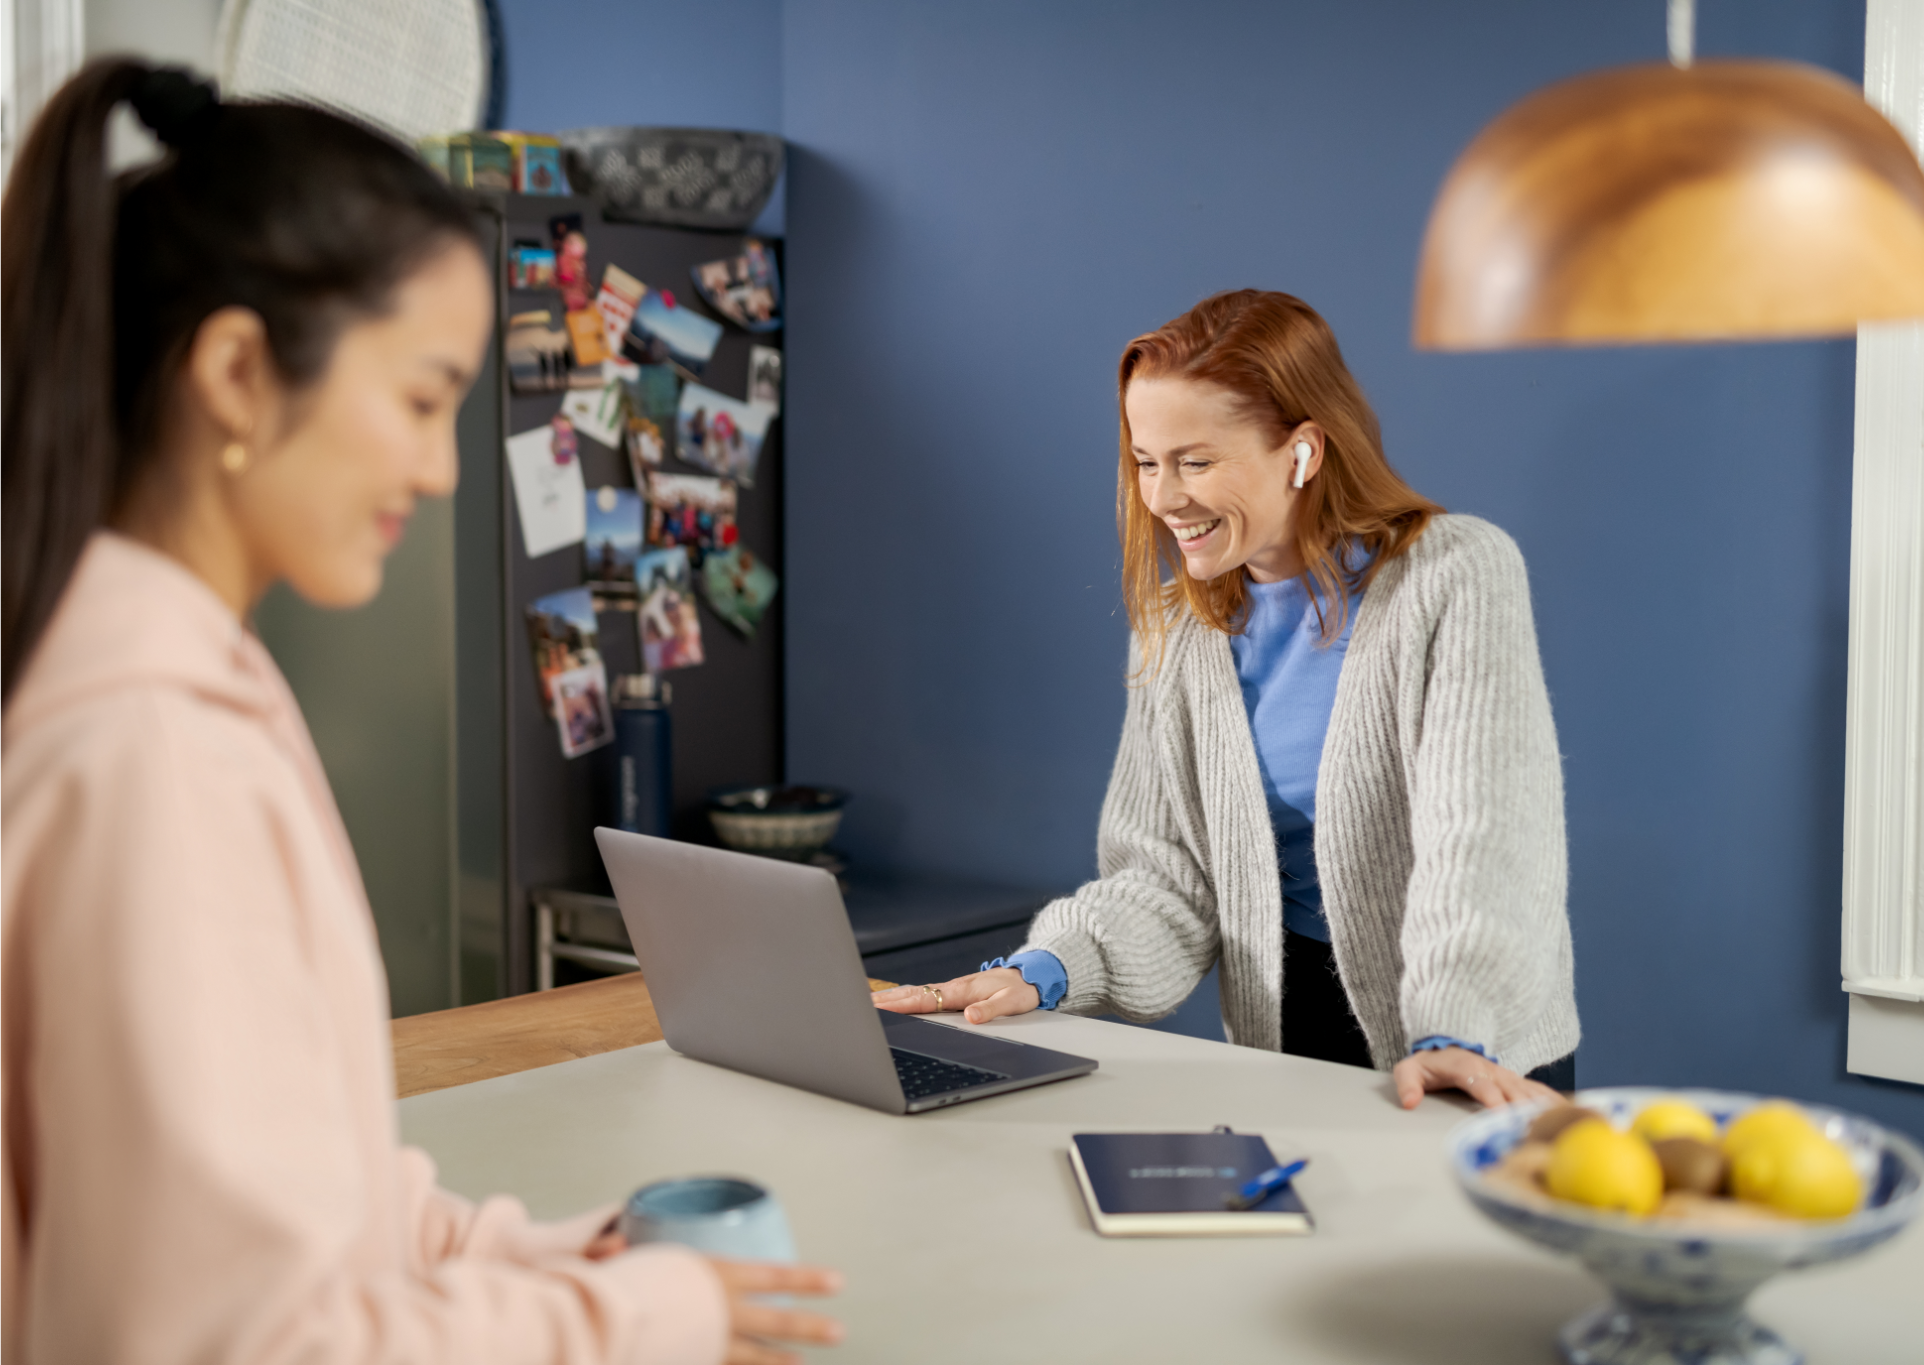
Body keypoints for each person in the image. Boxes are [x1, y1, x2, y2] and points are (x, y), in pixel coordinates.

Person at [0, 62, 840, 1364]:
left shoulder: (160, 684)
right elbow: (243, 1338)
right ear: (236, 370)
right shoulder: (154, 754)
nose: (444, 468)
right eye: (417, 398)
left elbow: (285, 1181)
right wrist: (631, 1319)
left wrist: (515, 1252)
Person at [877, 289, 1578, 1110]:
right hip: (1288, 1040)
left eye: (1196, 461)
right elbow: (1168, 879)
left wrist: (1454, 1026)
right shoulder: (1179, 630)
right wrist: (1048, 967)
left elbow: (1483, 841)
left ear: (1303, 452)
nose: (1163, 497)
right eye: (1146, 461)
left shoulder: (1456, 576)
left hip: (1473, 1048)